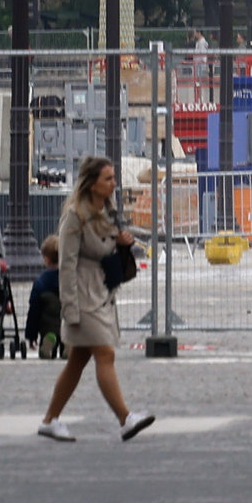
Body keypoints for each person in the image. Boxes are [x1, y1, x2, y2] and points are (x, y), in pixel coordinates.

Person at [39, 151, 156, 443]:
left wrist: (121, 243)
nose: (114, 183)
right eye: (108, 178)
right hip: (83, 295)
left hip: (100, 292)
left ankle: (50, 419)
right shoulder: (75, 217)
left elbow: (105, 249)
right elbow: (66, 264)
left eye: (114, 177)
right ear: (92, 183)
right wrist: (70, 309)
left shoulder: (107, 212)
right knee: (105, 353)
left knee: (78, 360)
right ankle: (125, 418)